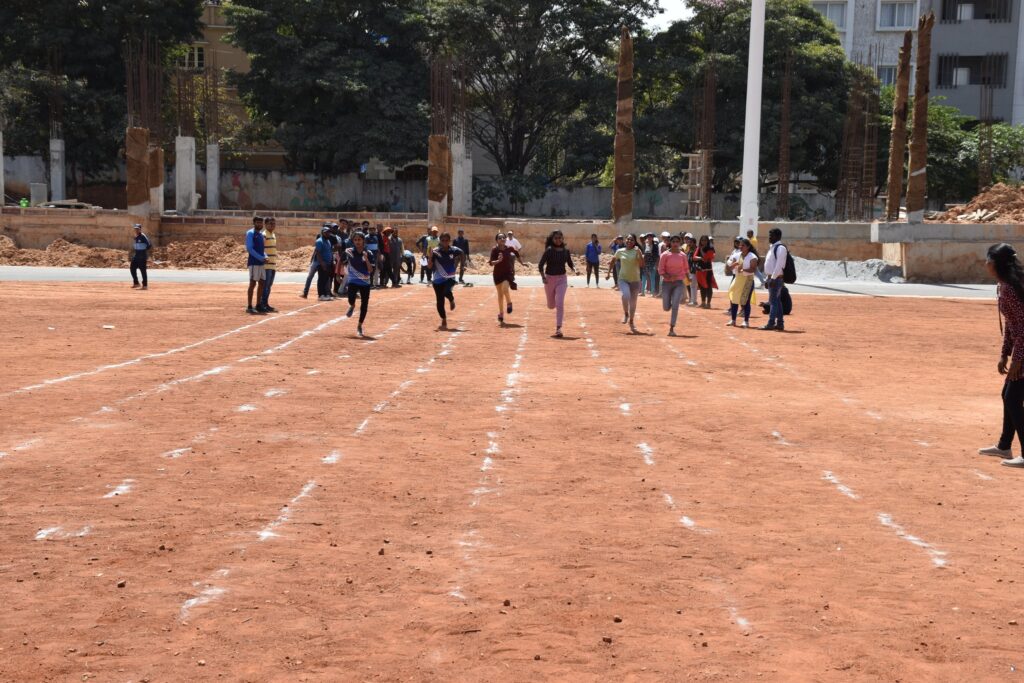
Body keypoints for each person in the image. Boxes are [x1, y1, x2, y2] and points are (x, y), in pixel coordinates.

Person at [979, 244, 1024, 465]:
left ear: (994, 263)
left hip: (1023, 351)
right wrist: (1004, 353)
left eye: (988, 259)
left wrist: (1017, 358)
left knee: (1012, 398)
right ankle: (1004, 446)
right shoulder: (1005, 286)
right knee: (1008, 395)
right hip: (1020, 349)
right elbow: (1012, 324)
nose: (985, 263)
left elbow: (1023, 326)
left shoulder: (1010, 290)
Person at [538, 230, 578, 338]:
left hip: (562, 279)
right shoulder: (549, 251)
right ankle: (552, 303)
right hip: (549, 279)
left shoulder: (566, 251)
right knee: (551, 306)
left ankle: (558, 328)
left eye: (560, 238)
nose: (558, 240)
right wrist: (543, 277)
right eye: (556, 238)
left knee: (560, 303)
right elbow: (540, 265)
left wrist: (575, 269)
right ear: (552, 239)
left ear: (563, 239)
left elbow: (570, 263)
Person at [607, 233, 643, 333]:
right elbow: (613, 260)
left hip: (635, 280)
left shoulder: (637, 251)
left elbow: (641, 264)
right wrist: (608, 273)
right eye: (628, 239)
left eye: (631, 240)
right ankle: (626, 313)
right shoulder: (620, 251)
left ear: (635, 242)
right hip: (623, 279)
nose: (629, 241)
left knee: (633, 302)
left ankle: (631, 321)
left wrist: (639, 253)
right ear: (625, 240)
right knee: (625, 295)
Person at [429, 232, 464, 330]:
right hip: (437, 279)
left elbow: (462, 252)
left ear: (449, 241)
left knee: (446, 291)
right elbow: (429, 266)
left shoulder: (454, 250)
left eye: (447, 240)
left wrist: (462, 265)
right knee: (440, 301)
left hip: (450, 278)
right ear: (440, 241)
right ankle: (443, 318)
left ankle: (451, 299)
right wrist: (430, 258)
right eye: (443, 240)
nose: (445, 242)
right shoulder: (435, 251)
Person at [658, 234, 690, 337]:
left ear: (680, 243)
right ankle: (670, 304)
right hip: (666, 283)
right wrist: (667, 276)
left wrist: (688, 278)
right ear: (670, 243)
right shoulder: (665, 255)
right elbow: (660, 270)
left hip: (679, 283)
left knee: (675, 305)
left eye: (677, 241)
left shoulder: (683, 255)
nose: (675, 243)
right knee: (666, 307)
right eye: (673, 241)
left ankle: (672, 328)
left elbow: (685, 269)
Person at [344, 231, 375, 337]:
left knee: (364, 305)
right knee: (351, 298)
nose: (357, 242)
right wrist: (339, 274)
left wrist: (366, 259)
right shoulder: (349, 251)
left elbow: (370, 270)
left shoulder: (369, 253)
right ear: (353, 241)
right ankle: (352, 305)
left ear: (363, 241)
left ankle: (359, 325)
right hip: (353, 280)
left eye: (359, 240)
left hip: (365, 282)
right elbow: (341, 261)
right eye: (355, 240)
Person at [726, 238, 758, 328]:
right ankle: (733, 320)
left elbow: (753, 269)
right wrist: (734, 264)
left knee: (745, 301)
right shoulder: (736, 255)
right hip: (737, 279)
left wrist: (743, 269)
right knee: (734, 299)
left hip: (747, 280)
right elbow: (729, 266)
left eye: (743, 245)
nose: (740, 247)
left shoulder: (752, 256)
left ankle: (746, 321)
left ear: (748, 247)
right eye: (740, 245)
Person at [761, 228, 788, 331]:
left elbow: (779, 265)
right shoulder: (773, 248)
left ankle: (771, 323)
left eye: (771, 235)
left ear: (777, 236)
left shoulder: (780, 248)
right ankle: (780, 323)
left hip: (776, 279)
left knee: (773, 302)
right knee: (776, 301)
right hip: (772, 278)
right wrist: (768, 278)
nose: (769, 237)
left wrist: (772, 278)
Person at [489, 232, 519, 326]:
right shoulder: (494, 249)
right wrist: (498, 261)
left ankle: (509, 303)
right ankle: (501, 314)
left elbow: (517, 253)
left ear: (506, 239)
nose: (502, 239)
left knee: (505, 288)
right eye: (500, 238)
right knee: (500, 295)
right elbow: (491, 262)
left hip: (507, 274)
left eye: (503, 238)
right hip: (497, 274)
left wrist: (522, 263)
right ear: (497, 240)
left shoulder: (509, 248)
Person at [245, 216, 267, 314]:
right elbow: (250, 248)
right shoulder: (250, 233)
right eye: (258, 223)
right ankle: (249, 306)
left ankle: (258, 304)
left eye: (261, 223)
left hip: (261, 263)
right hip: (254, 263)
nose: (260, 224)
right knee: (253, 283)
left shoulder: (261, 235)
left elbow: (262, 250)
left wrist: (265, 256)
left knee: (262, 283)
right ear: (254, 223)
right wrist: (261, 258)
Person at [300, 224, 328, 299]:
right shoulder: (319, 238)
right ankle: (305, 292)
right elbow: (317, 251)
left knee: (318, 278)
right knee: (310, 277)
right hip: (316, 262)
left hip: (319, 261)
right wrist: (312, 260)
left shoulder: (327, 238)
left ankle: (307, 292)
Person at [258, 216, 278, 312]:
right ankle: (261, 304)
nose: (272, 225)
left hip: (273, 264)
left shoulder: (273, 235)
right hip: (266, 265)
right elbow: (260, 249)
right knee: (265, 286)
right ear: (265, 225)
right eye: (270, 223)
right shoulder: (264, 235)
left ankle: (265, 303)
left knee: (269, 286)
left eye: (274, 223)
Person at [693, 235, 718, 308]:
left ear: (707, 241)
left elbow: (707, 258)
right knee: (701, 286)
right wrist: (700, 257)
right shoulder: (699, 248)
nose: (703, 242)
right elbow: (694, 258)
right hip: (700, 270)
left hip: (707, 270)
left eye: (705, 240)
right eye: (702, 240)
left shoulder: (710, 249)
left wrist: (700, 256)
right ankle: (703, 302)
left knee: (708, 286)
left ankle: (708, 303)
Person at [314, 226, 334, 301]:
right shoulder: (319, 241)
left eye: (329, 232)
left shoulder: (328, 241)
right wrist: (322, 263)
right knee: (321, 279)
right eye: (326, 232)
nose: (328, 234)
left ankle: (325, 294)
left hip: (328, 263)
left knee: (325, 279)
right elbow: (318, 253)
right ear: (322, 233)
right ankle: (321, 295)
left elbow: (329, 252)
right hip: (322, 264)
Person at [129, 223, 151, 290]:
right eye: (135, 229)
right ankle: (136, 283)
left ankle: (145, 285)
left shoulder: (143, 236)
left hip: (142, 257)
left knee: (143, 271)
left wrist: (143, 252)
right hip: (136, 256)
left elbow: (149, 245)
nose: (136, 230)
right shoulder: (136, 237)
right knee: (132, 268)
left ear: (140, 229)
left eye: (137, 229)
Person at [684, 233, 700, 307]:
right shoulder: (690, 250)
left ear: (694, 243)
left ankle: (694, 301)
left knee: (693, 286)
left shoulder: (696, 250)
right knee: (692, 286)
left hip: (695, 270)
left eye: (690, 242)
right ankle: (693, 300)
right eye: (689, 242)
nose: (689, 244)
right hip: (690, 270)